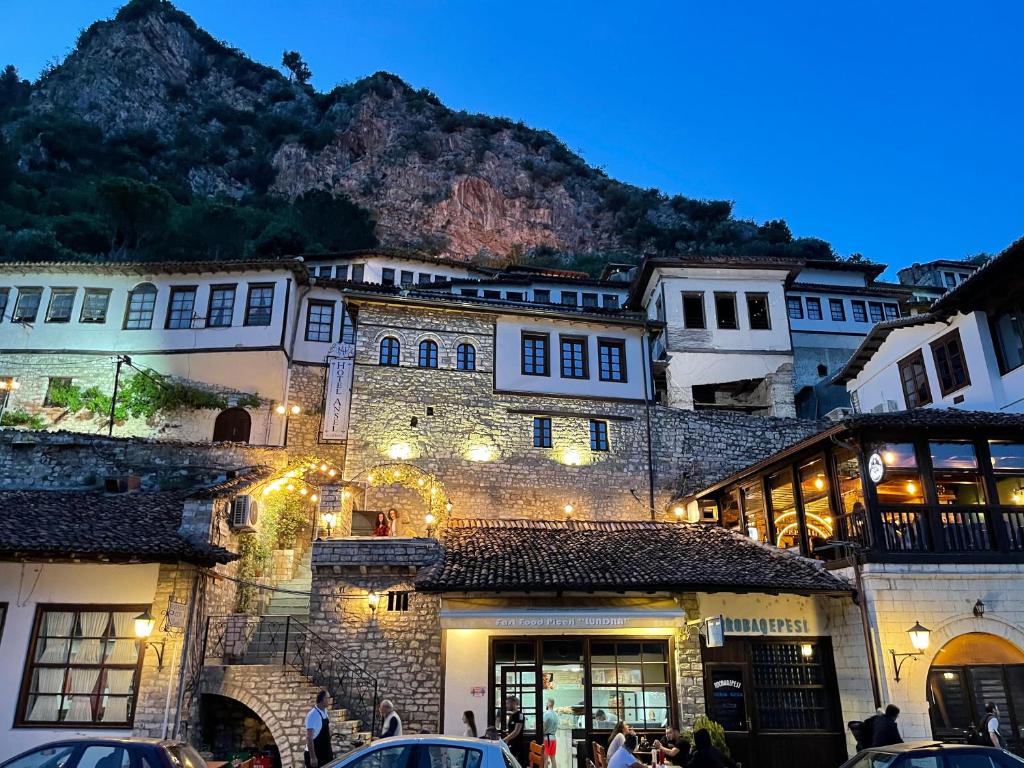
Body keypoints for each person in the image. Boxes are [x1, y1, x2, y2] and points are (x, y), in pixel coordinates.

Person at [304, 690, 334, 768]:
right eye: (328, 698)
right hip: (316, 755)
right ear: (323, 699)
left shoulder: (324, 711)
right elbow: (309, 738)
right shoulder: (312, 715)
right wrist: (313, 757)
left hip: (325, 754)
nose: (330, 700)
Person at [504, 695, 527, 766]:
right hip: (512, 745)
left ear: (514, 703)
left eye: (508, 703)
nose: (506, 705)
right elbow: (512, 730)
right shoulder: (512, 715)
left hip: (517, 746)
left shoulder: (519, 715)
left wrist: (504, 739)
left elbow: (516, 731)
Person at [542, 698, 559, 768]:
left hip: (547, 739)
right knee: (553, 758)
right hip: (553, 738)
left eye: (546, 702)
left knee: (545, 759)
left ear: (549, 704)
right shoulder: (556, 714)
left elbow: (543, 727)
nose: (546, 703)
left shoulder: (546, 714)